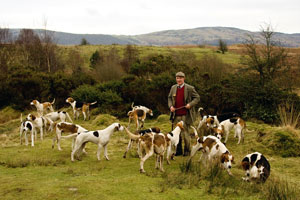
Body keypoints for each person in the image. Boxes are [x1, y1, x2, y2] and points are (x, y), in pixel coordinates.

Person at [168, 71, 200, 156]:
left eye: (180, 78)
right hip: (176, 114)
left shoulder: (189, 88)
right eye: (177, 78)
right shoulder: (173, 88)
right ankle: (178, 151)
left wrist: (190, 104)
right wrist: (171, 106)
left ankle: (187, 151)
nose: (179, 80)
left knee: (185, 133)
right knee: (177, 134)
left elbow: (197, 98)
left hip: (186, 114)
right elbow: (169, 98)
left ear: (184, 78)